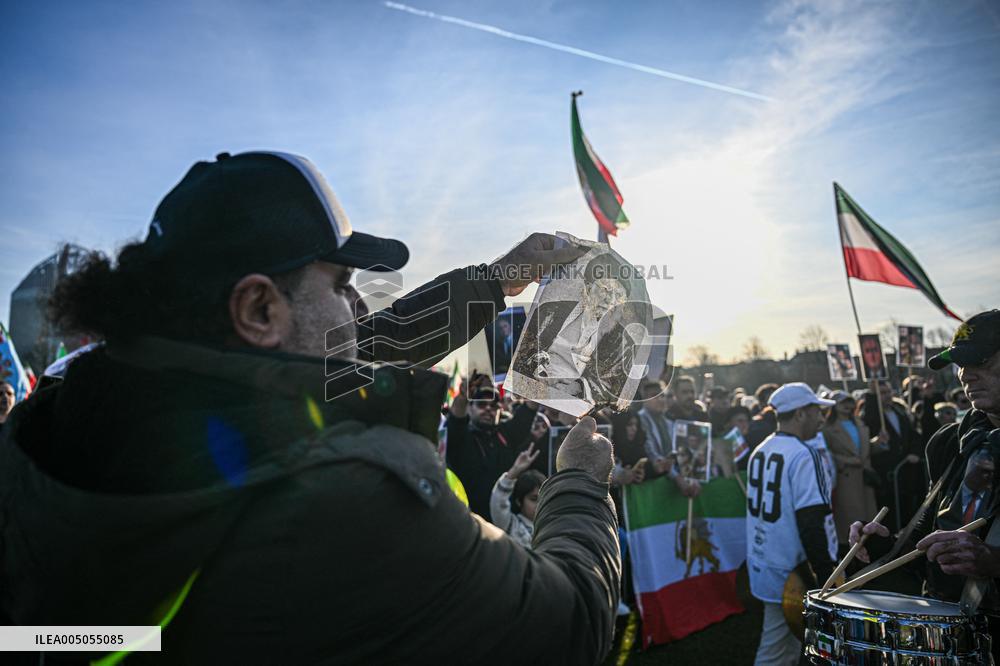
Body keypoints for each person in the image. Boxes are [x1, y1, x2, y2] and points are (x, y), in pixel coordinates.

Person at [0, 151, 621, 664]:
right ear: (259, 309)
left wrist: (497, 278)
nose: (358, 306)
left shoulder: (53, 422)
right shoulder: (345, 497)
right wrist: (580, 484)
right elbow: (568, 628)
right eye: (341, 285)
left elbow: (350, 346)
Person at [850, 309, 1000, 660]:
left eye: (979, 361)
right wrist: (886, 539)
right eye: (959, 365)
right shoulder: (950, 441)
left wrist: (992, 561)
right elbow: (929, 533)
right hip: (951, 630)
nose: (965, 375)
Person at [746, 382, 837, 666]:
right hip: (792, 569)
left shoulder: (761, 448)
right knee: (778, 650)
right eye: (814, 411)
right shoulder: (803, 453)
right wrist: (825, 574)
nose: (820, 418)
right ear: (799, 414)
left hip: (767, 559)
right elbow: (811, 521)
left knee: (786, 645)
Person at [446, 379, 537, 518]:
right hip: (471, 521)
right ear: (469, 408)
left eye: (494, 405)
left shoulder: (506, 433)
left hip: (506, 521)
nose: (488, 408)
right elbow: (456, 420)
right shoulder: (462, 437)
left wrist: (539, 381)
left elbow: (529, 409)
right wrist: (464, 396)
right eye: (481, 404)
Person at [821, 390, 877, 549]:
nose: (847, 406)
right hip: (845, 478)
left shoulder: (859, 423)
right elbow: (826, 453)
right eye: (842, 402)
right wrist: (847, 461)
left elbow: (863, 449)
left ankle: (869, 546)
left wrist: (877, 443)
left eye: (849, 402)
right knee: (850, 519)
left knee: (867, 517)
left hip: (864, 477)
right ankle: (851, 550)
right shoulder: (827, 428)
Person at [490, 443, 545, 549]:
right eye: (533, 499)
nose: (539, 504)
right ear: (519, 501)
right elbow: (498, 502)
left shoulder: (552, 526)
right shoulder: (511, 525)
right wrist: (514, 471)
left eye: (543, 498)